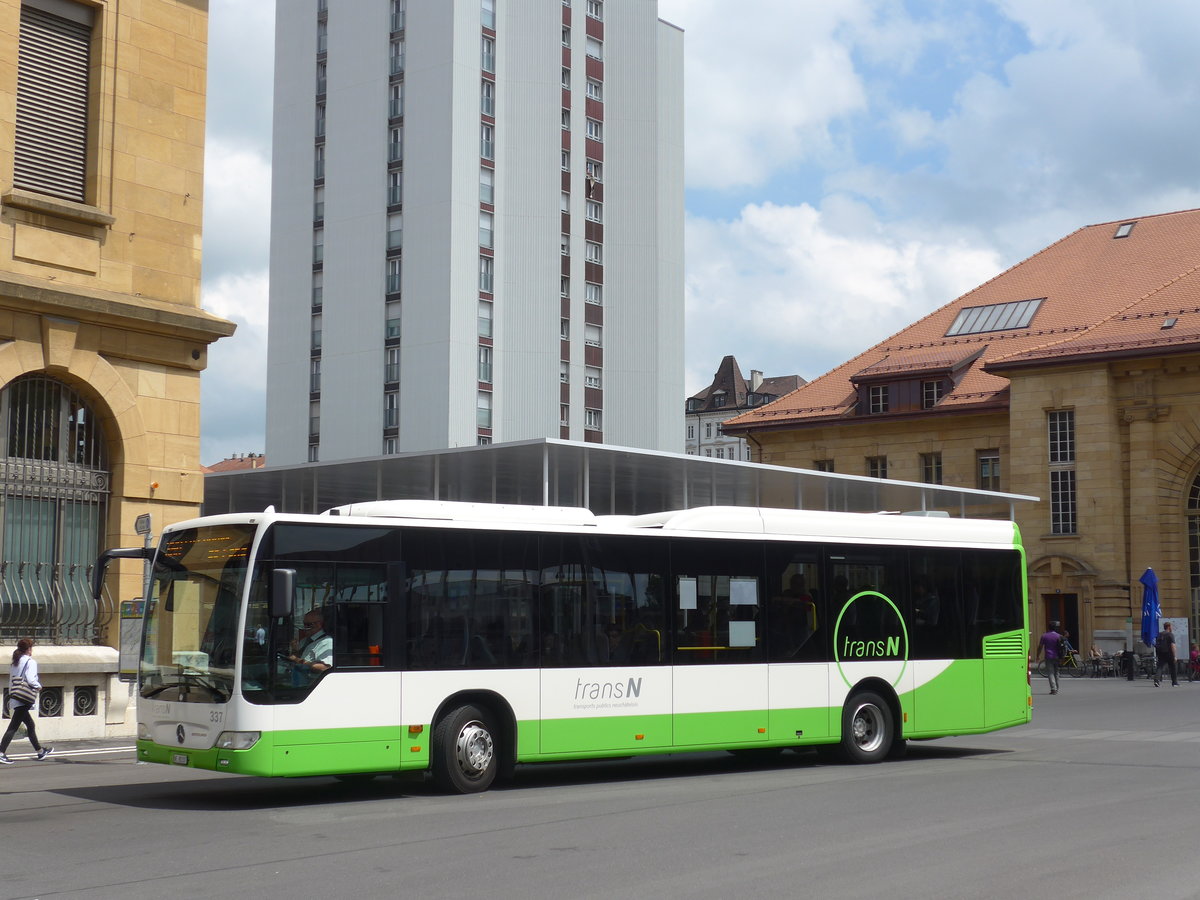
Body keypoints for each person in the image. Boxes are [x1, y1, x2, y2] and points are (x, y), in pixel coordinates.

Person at [1, 639, 53, 764]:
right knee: (13, 727)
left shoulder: (15, 662)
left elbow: (12, 681)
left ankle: (40, 751)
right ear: (29, 649)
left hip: (16, 697)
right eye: (31, 648)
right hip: (24, 699)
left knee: (30, 725)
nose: (32, 650)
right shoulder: (30, 662)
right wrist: (38, 686)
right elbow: (30, 679)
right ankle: (1, 752)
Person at [287, 609, 333, 683]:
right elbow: (297, 657)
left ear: (319, 625)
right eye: (304, 624)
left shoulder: (326, 642)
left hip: (312, 683)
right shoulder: (305, 640)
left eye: (308, 625)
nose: (305, 628)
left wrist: (299, 661)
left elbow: (325, 667)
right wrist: (294, 650)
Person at [1036, 622, 1063, 695]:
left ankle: (1053, 689)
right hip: (1057, 656)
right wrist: (1062, 657)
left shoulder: (1044, 636)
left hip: (1048, 656)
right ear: (1055, 628)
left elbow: (1040, 647)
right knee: (1057, 673)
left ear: (1049, 628)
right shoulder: (1059, 636)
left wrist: (1037, 655)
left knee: (1050, 673)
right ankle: (1056, 688)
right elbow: (1062, 648)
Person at [1154, 621, 1178, 687]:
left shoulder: (1159, 634)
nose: (1172, 627)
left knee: (1160, 667)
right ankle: (1174, 682)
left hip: (1160, 653)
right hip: (1169, 653)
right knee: (1173, 667)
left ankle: (1156, 680)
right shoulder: (1170, 634)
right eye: (1171, 626)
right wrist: (1175, 656)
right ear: (1168, 627)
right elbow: (1172, 645)